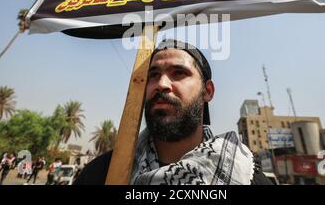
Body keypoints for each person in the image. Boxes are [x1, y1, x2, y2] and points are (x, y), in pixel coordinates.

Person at [74, 39, 272, 185]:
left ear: (208, 91)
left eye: (179, 73)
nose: (161, 84)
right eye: (153, 75)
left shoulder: (245, 174)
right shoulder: (101, 174)